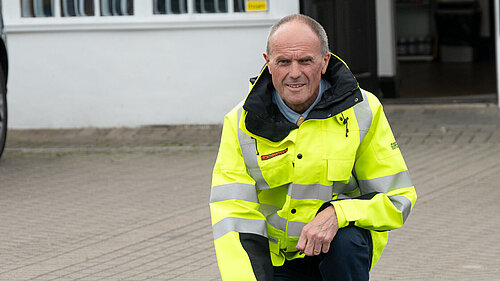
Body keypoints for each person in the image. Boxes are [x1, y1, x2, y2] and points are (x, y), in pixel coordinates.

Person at [210, 14, 417, 281]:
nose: (294, 73)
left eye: (305, 60)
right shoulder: (241, 122)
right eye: (283, 61)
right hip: (277, 261)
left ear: (324, 61)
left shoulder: (363, 110)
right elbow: (233, 216)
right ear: (268, 64)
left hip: (338, 253)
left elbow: (397, 199)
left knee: (347, 243)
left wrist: (339, 213)